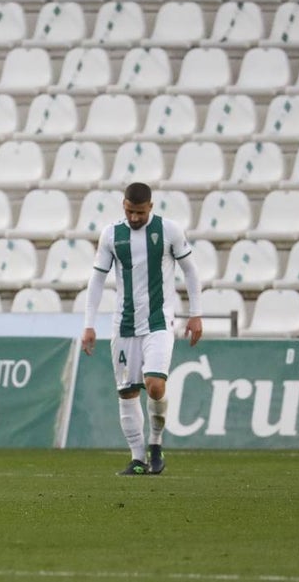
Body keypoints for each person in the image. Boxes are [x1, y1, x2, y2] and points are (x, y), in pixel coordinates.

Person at [81, 182, 204, 477]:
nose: (134, 217)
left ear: (150, 206)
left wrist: (196, 314)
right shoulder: (111, 234)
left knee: (155, 385)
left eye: (139, 212)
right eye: (129, 211)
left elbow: (190, 271)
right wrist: (88, 324)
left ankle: (156, 443)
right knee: (126, 393)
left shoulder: (169, 230)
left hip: (159, 322)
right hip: (123, 326)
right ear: (123, 205)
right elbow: (97, 280)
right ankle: (137, 459)